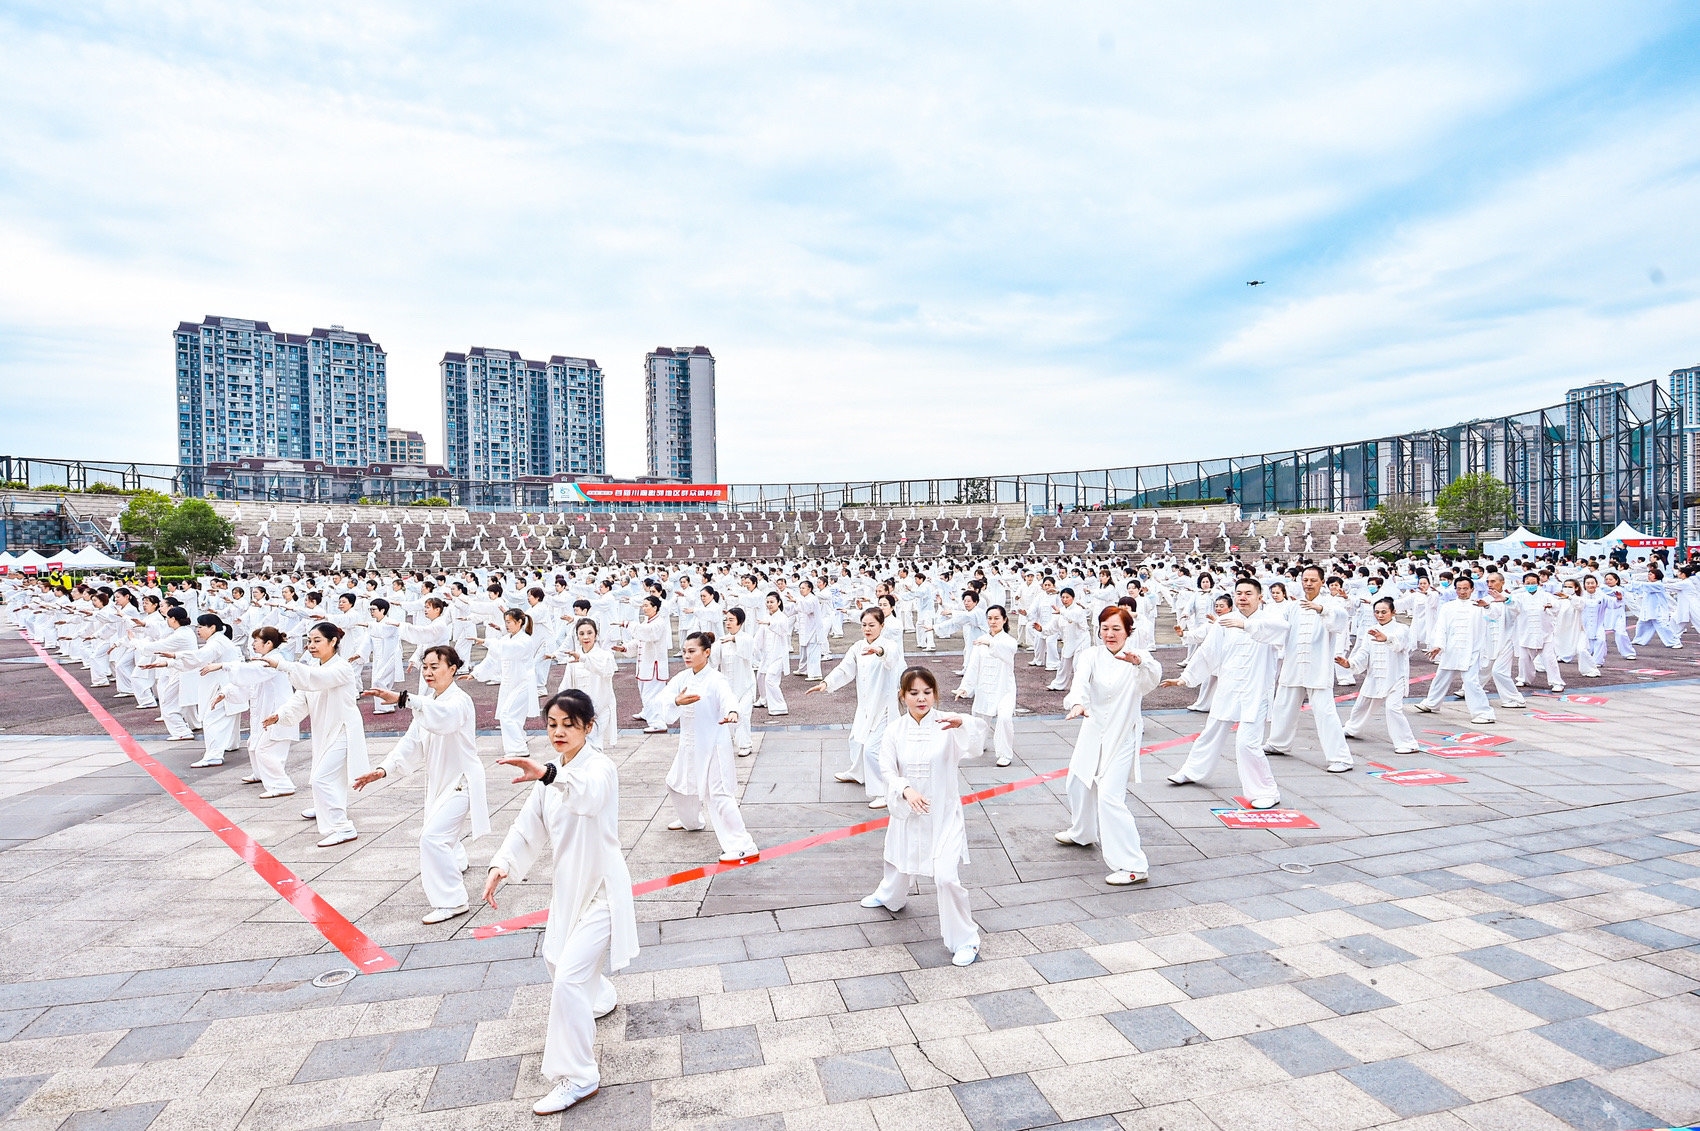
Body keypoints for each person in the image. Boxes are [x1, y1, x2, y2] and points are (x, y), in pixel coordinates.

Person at [483, 690, 638, 1116]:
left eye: (569, 724)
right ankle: (600, 995)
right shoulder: (549, 776)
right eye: (552, 724)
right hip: (569, 889)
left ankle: (579, 1076)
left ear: (589, 726)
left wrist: (550, 774)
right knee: (557, 961)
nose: (559, 732)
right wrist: (502, 864)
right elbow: (527, 826)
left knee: (567, 980)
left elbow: (587, 796)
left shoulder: (599, 768)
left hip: (603, 891)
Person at [862, 666, 988, 967]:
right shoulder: (895, 730)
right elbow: (887, 769)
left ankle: (966, 939)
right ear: (903, 696)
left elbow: (975, 746)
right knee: (898, 856)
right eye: (914, 693)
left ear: (936, 694)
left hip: (943, 815)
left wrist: (963, 723)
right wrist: (905, 789)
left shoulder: (947, 724)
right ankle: (890, 896)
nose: (921, 699)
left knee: (945, 877)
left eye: (927, 692)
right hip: (909, 811)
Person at [355, 644, 489, 924]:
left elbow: (443, 721)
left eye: (434, 667)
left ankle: (452, 901)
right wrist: (383, 769)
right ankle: (455, 861)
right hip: (439, 781)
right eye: (425, 667)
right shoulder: (431, 700)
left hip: (462, 781)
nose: (427, 672)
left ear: (452, 669)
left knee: (432, 838)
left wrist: (405, 698)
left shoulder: (458, 701)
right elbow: (411, 741)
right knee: (441, 835)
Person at [1056, 606, 1162, 885]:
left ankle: (1133, 865)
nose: (1110, 633)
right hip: (1093, 727)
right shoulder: (1091, 654)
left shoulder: (1140, 657)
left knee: (1110, 798)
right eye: (1105, 627)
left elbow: (1151, 680)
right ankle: (1083, 832)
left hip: (1122, 734)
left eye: (1116, 628)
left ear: (1128, 631)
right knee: (1078, 782)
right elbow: (1079, 683)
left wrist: (1139, 663)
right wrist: (1078, 702)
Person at [1161, 577, 1288, 809]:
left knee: (1247, 743)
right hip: (1228, 688)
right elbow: (1208, 653)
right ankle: (1192, 771)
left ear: (1260, 597)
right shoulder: (1225, 622)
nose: (1242, 597)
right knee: (1211, 732)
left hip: (1255, 692)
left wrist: (1246, 626)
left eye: (1248, 593)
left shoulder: (1270, 619)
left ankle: (1266, 791)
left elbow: (1282, 632)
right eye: (1239, 593)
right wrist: (1185, 678)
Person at [260, 621, 371, 847]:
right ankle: (324, 810)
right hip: (324, 728)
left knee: (322, 778)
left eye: (317, 640)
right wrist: (280, 714)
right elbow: (302, 696)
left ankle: (343, 827)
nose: (311, 645)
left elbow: (314, 680)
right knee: (327, 774)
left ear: (333, 642)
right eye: (309, 641)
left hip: (342, 730)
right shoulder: (316, 666)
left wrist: (282, 664)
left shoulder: (341, 668)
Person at [660, 632, 759, 862]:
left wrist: (732, 712)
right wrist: (676, 701)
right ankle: (691, 821)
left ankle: (744, 844)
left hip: (713, 745)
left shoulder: (716, 679)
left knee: (719, 795)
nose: (687, 655)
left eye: (692, 651)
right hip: (689, 744)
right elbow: (666, 697)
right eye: (684, 651)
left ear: (707, 652)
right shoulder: (682, 678)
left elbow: (728, 698)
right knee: (676, 784)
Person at [1263, 564, 1354, 773]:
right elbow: (1277, 628)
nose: (1309, 584)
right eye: (1305, 580)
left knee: (1325, 712)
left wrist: (1321, 610)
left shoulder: (1331, 603)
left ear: (1322, 582)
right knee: (1283, 706)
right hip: (1294, 664)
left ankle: (1341, 758)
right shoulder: (1293, 607)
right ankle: (1278, 743)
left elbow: (1339, 622)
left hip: (1318, 667)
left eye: (1313, 580)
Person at [811, 608, 904, 807]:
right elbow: (845, 668)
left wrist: (878, 651)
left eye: (872, 625)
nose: (867, 629)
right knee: (856, 740)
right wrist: (826, 683)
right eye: (864, 625)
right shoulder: (857, 647)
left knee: (872, 749)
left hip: (884, 707)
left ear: (882, 626)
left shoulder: (889, 645)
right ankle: (857, 772)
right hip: (865, 705)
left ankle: (885, 791)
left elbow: (891, 658)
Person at [218, 626, 298, 797]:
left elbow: (251, 671)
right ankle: (260, 774)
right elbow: (250, 683)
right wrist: (225, 693)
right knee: (253, 744)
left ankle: (282, 785)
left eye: (256, 641)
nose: (253, 644)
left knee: (266, 749)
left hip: (277, 713)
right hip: (265, 712)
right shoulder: (264, 660)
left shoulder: (273, 660)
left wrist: (222, 665)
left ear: (268, 643)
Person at [1339, 597, 1420, 754]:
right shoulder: (1371, 630)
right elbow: (1364, 653)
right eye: (1377, 612)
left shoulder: (1401, 628)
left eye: (1384, 612)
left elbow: (1399, 644)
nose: (1380, 615)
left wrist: (1386, 638)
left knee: (1393, 708)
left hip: (1396, 677)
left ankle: (1407, 743)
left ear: (1393, 612)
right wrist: (1349, 663)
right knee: (1362, 705)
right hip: (1375, 676)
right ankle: (1352, 728)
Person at [1411, 575, 1495, 725]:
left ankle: (1483, 712)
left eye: (1465, 589)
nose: (1462, 592)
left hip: (1471, 650)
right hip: (1451, 649)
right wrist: (1438, 646)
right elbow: (1441, 628)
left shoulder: (1479, 606)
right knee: (1441, 677)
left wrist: (1487, 607)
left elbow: (1494, 617)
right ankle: (1431, 703)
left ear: (1472, 589)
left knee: (1471, 682)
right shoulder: (1448, 607)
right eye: (1459, 589)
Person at [952, 604, 1018, 767]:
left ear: (1004, 620)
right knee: (979, 719)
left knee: (1004, 718)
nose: (993, 621)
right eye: (990, 618)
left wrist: (989, 643)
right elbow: (973, 667)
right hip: (985, 688)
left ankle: (1004, 754)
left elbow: (1007, 650)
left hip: (1004, 689)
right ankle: (978, 745)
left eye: (997, 618)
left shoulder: (1009, 641)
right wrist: (965, 687)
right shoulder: (981, 641)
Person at [474, 608, 543, 759]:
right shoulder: (505, 639)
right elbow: (493, 658)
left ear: (519, 622)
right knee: (515, 715)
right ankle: (520, 739)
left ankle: (519, 749)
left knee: (507, 714)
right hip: (509, 682)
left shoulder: (525, 640)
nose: (507, 625)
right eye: (505, 622)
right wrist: (475, 673)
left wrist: (486, 641)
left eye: (509, 622)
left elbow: (508, 650)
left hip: (523, 682)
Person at [557, 617, 619, 751]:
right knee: (580, 746)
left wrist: (583, 659)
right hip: (579, 711)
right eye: (581, 633)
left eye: (589, 633)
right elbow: (565, 686)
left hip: (601, 709)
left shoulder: (605, 656)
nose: (586, 637)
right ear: (577, 636)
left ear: (596, 634)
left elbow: (607, 672)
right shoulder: (573, 658)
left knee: (593, 744)